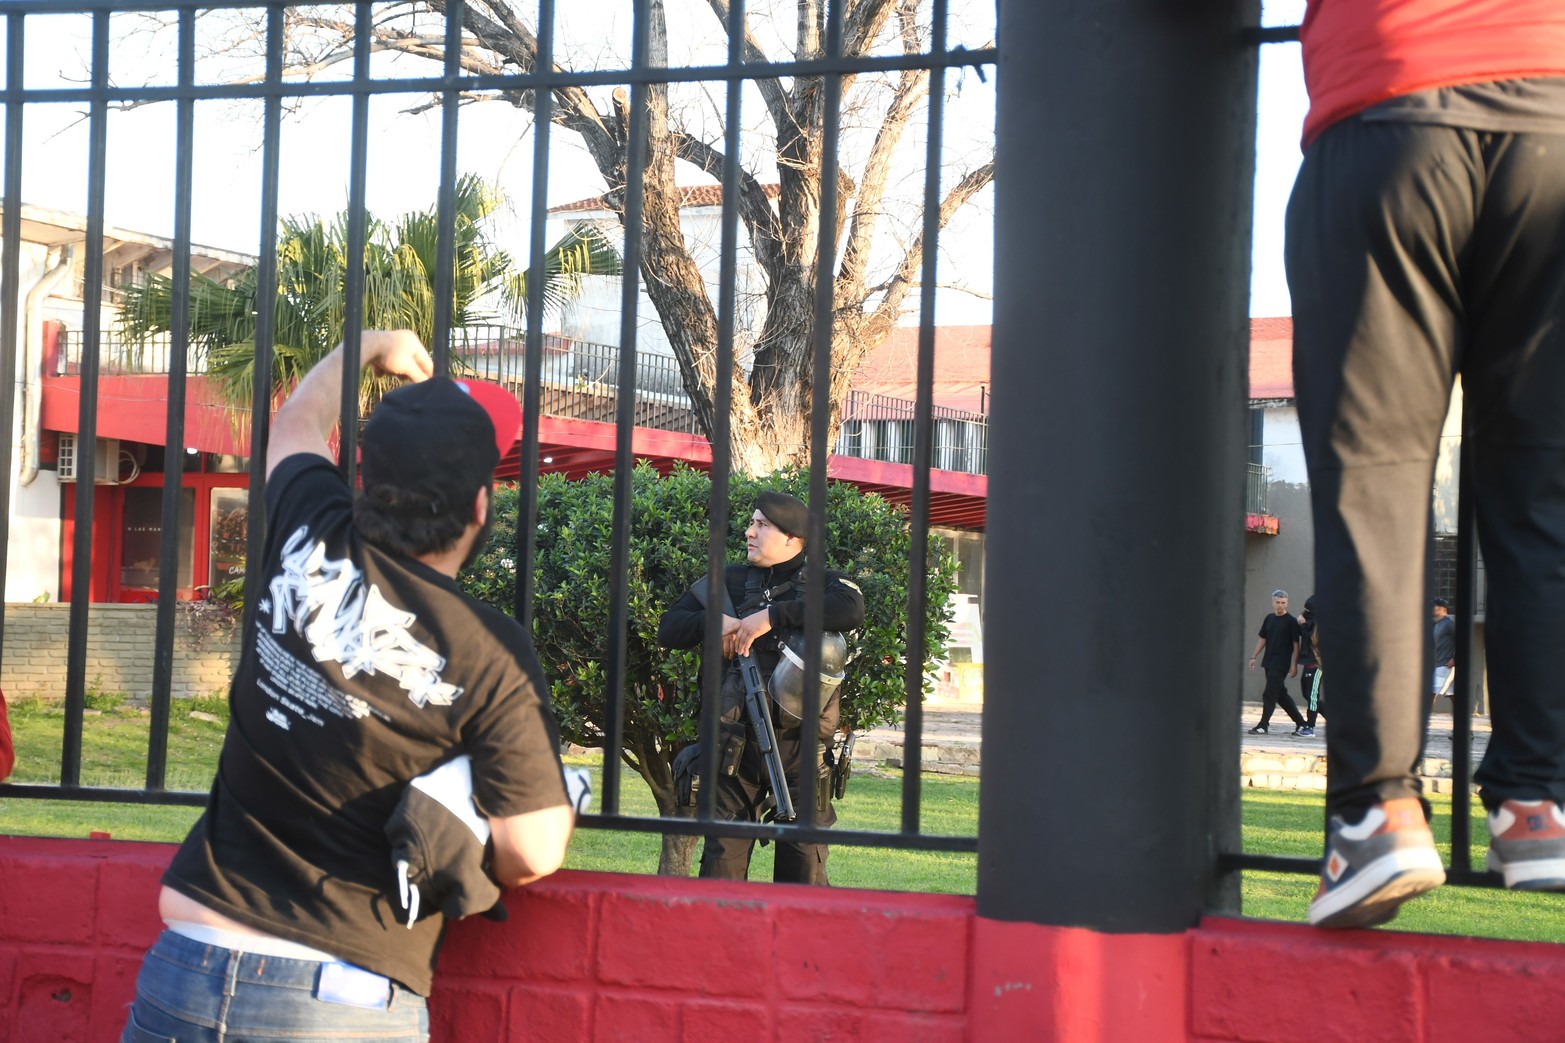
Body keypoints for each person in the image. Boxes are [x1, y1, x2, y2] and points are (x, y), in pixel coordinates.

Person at [122, 331, 578, 1041]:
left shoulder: (308, 529)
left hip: (185, 968)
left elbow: (295, 424)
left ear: (366, 481)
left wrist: (367, 345)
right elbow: (534, 849)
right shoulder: (489, 650)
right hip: (340, 998)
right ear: (480, 507)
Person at [1288, 0, 1565, 929]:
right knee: (1544, 492)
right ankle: (1538, 805)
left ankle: (1377, 815)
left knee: (1373, 489)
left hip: (1391, 97)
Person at [657, 491, 864, 884]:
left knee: (803, 875)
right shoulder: (728, 581)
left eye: (762, 525)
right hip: (733, 754)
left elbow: (851, 609)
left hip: (803, 755)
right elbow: (669, 628)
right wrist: (711, 623)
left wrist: (772, 616)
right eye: (752, 523)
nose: (749, 532)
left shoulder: (825, 583)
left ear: (792, 539)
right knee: (721, 873)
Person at [1247, 590, 1308, 736]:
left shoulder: (1291, 622)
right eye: (1278, 602)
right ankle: (1301, 723)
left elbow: (1296, 645)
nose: (1280, 605)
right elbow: (1263, 639)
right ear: (1273, 602)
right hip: (1268, 661)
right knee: (1281, 695)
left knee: (1269, 693)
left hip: (1281, 664)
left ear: (1287, 603)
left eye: (1283, 603)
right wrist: (1253, 656)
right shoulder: (1269, 618)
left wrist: (1294, 665)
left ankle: (1263, 725)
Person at [1296, 595, 1323, 735]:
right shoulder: (1309, 619)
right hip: (1308, 662)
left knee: (1312, 695)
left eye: (1308, 611)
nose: (1305, 612)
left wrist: (1303, 624)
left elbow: (1313, 640)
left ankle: (1310, 727)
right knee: (1307, 694)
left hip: (1317, 664)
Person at [1431, 597, 1456, 707]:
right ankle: (1462, 715)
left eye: (1434, 606)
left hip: (1446, 665)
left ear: (1442, 609)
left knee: (1431, 692)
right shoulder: (1437, 624)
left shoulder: (1449, 623)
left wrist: (1454, 659)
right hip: (1440, 664)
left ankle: (1425, 716)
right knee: (1451, 693)